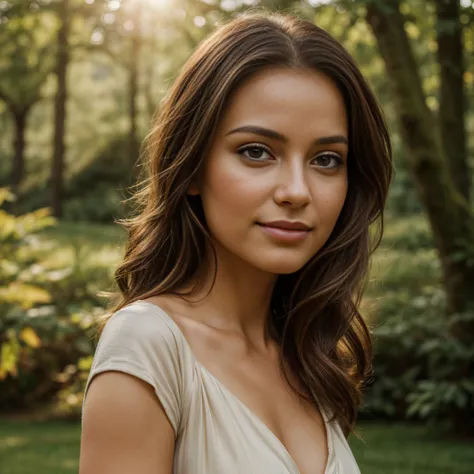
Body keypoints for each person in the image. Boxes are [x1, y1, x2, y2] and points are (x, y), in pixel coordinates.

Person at [79, 10, 392, 474]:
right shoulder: (148, 346)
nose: (296, 191)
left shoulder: (304, 354)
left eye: (326, 159)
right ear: (191, 168)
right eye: (256, 152)